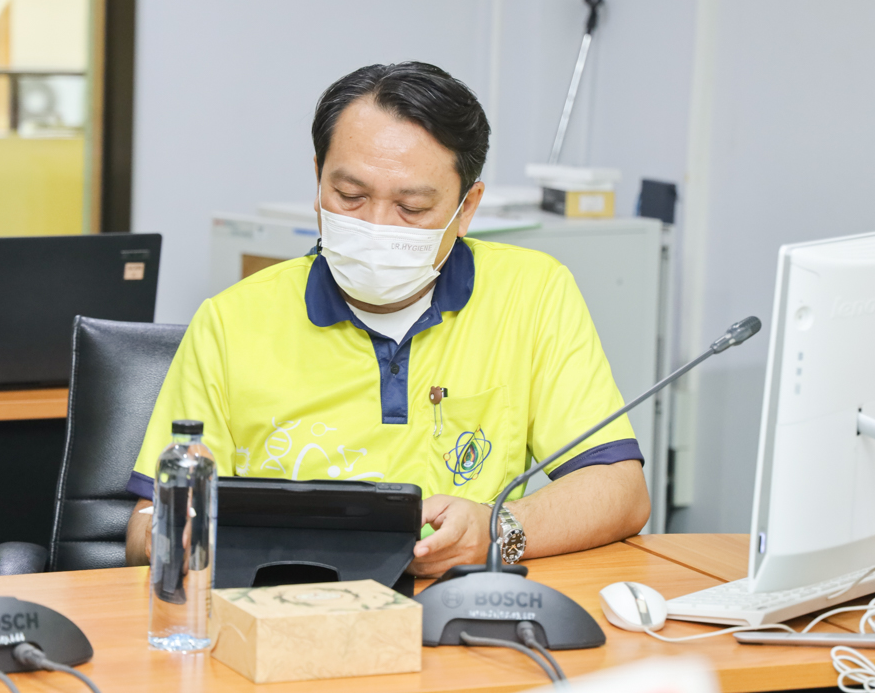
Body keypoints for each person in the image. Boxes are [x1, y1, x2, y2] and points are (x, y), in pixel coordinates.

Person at [125, 62, 650, 577]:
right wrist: (167, 534)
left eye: (412, 208)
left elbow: (620, 491)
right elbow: (144, 528)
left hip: (454, 607)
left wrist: (496, 530)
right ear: (318, 179)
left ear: (466, 208)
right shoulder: (231, 321)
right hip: (283, 606)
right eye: (350, 196)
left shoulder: (531, 293)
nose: (375, 226)